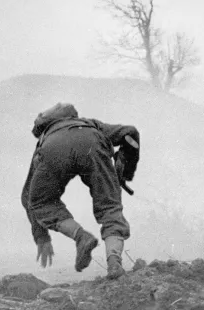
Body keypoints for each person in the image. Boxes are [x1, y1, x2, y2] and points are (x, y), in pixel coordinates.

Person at [20, 103, 140, 280]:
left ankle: (81, 237)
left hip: (54, 148)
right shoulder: (90, 124)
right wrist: (125, 173)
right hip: (92, 141)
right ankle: (114, 263)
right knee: (110, 209)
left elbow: (28, 197)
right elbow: (130, 133)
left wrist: (41, 236)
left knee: (41, 202)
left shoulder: (46, 138)